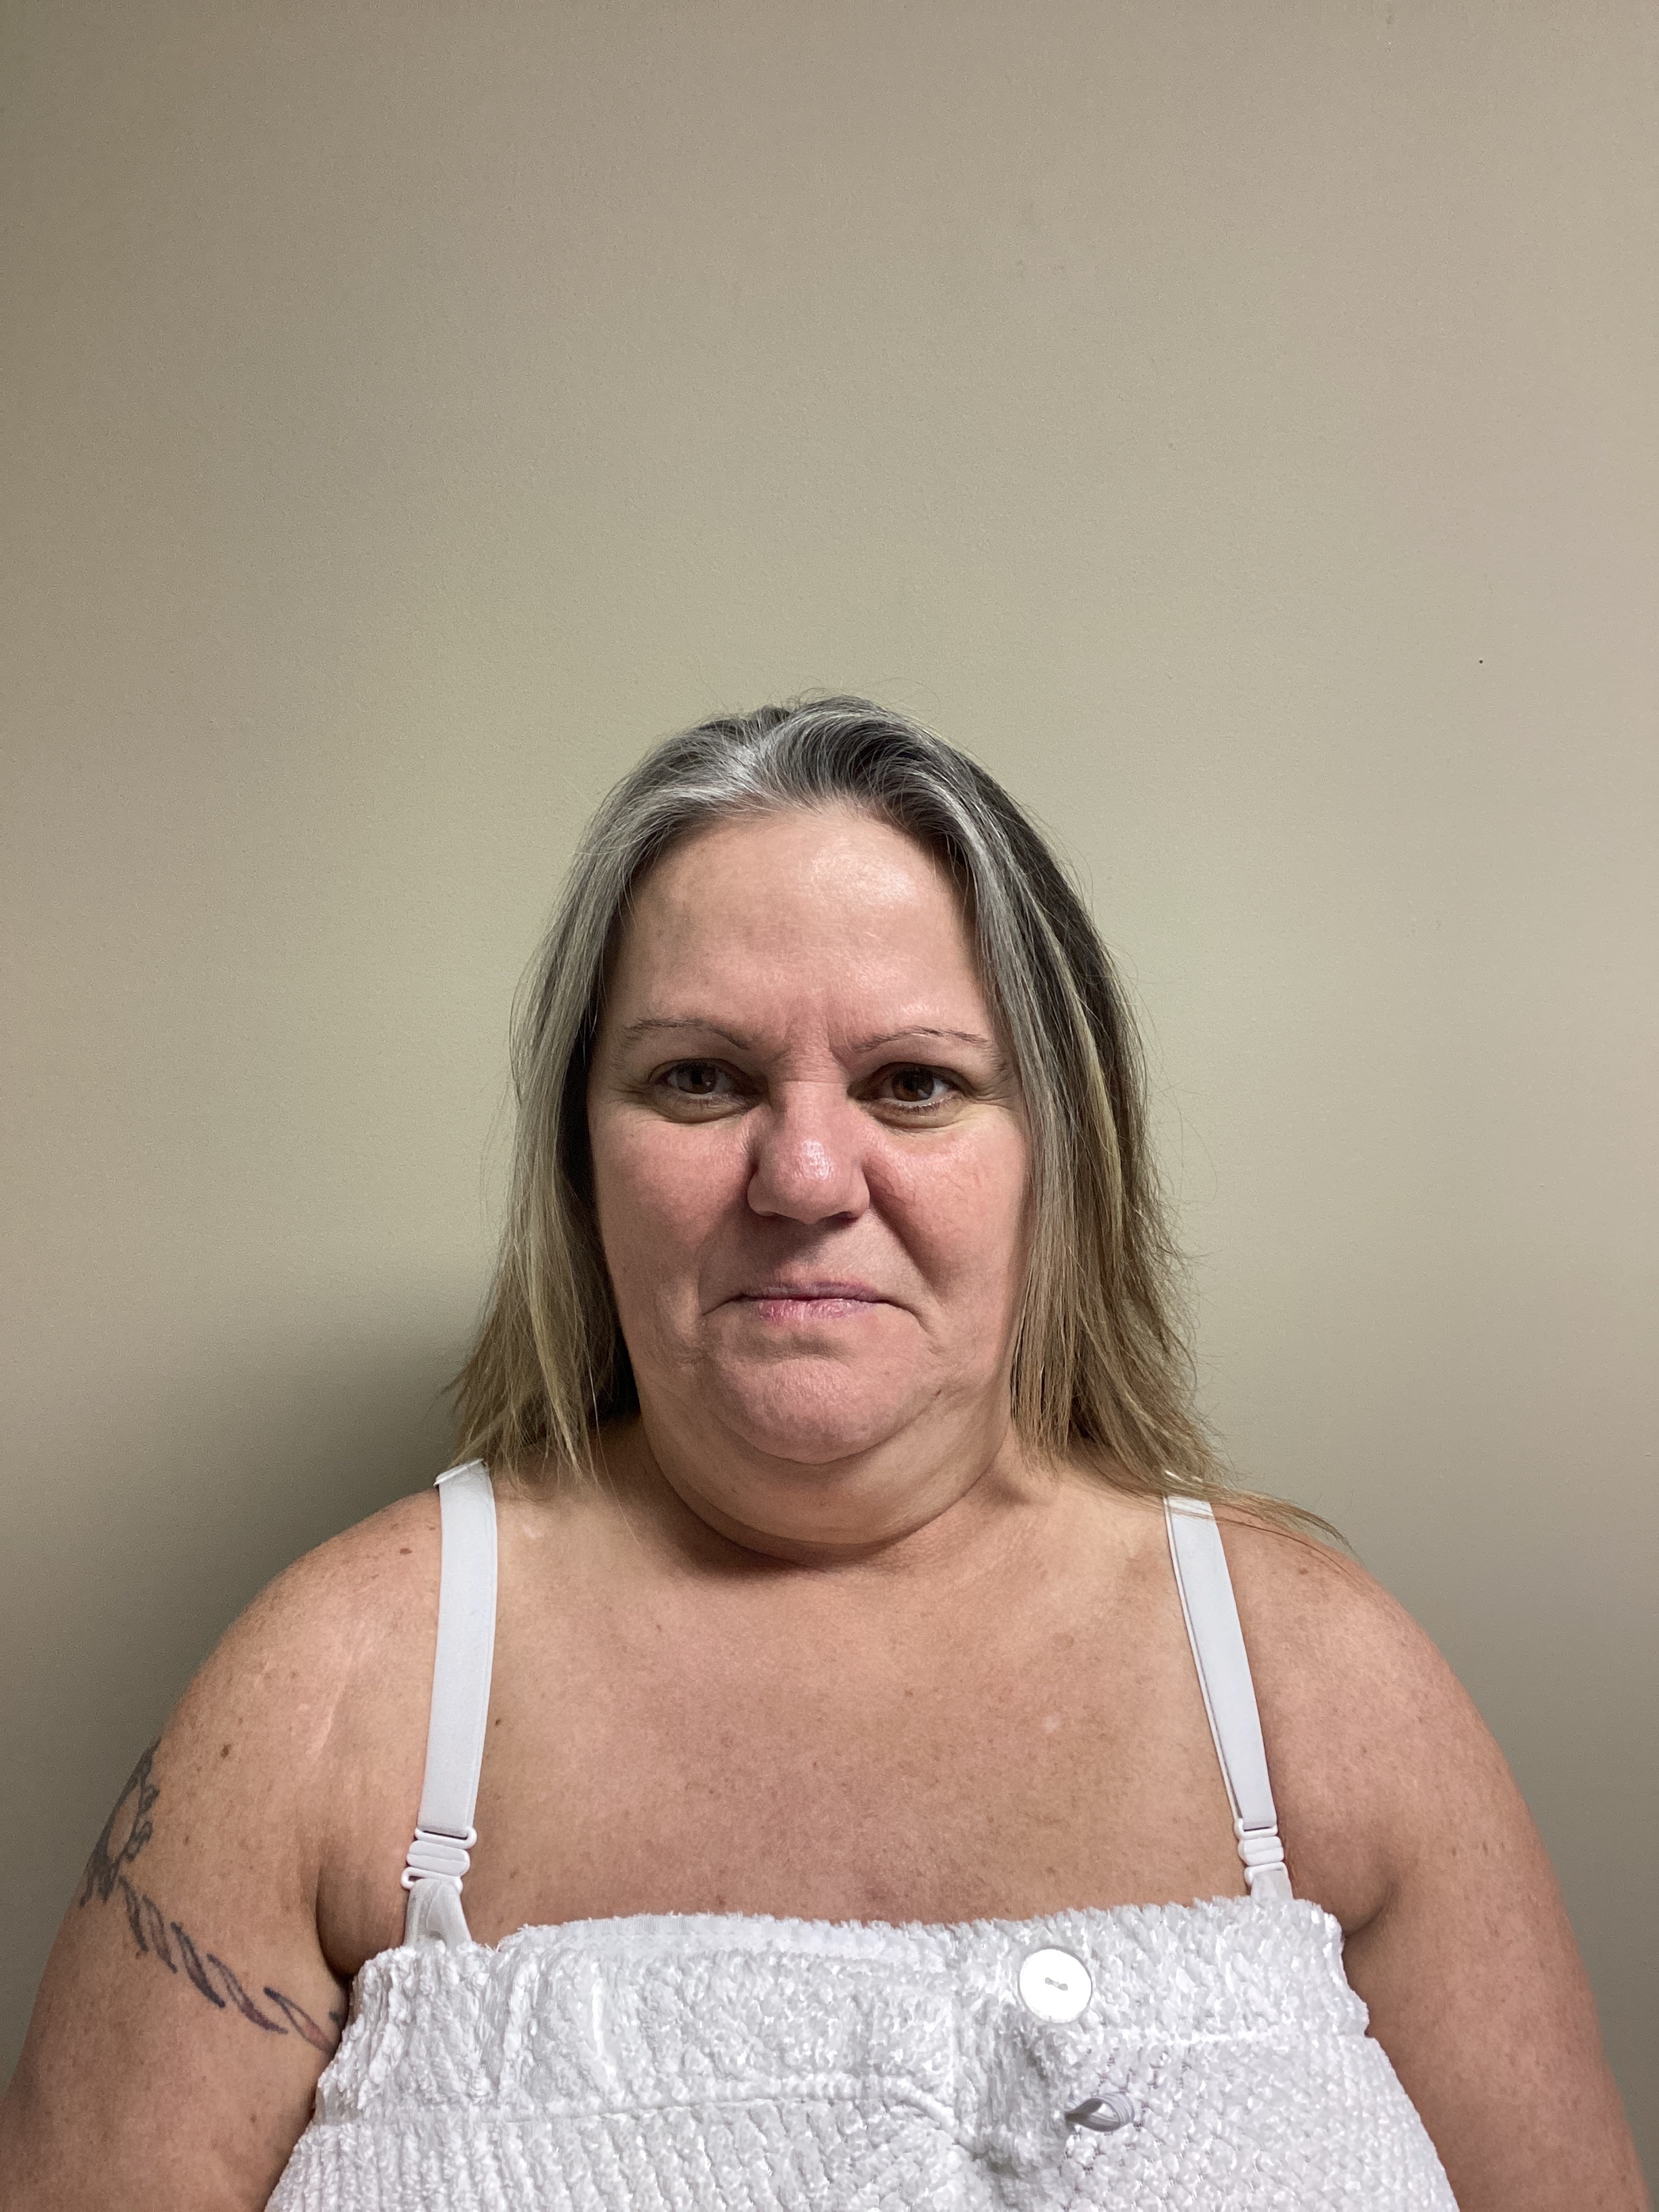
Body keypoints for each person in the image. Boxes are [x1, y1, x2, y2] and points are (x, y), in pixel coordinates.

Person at [0, 699, 1643, 2211]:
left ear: (1056, 1159)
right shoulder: (338, 1692)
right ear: (582, 1163)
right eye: (697, 1079)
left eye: (913, 1084)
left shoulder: (1320, 1683)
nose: (801, 1176)